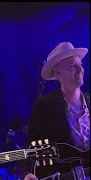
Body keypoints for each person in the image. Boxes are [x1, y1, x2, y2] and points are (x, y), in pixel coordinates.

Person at [23, 42, 90, 180]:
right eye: (73, 66)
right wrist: (27, 174)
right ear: (57, 73)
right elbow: (32, 147)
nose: (80, 69)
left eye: (80, 65)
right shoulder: (45, 106)